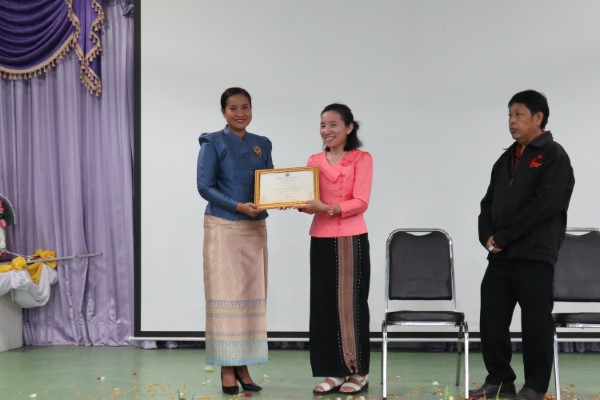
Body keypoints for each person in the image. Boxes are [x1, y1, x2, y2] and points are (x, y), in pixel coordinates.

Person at [473, 90, 575, 400]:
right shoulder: (505, 159)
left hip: (535, 255)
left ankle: (535, 386)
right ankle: (500, 380)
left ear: (538, 117)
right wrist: (487, 236)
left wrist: (504, 237)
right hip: (501, 256)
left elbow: (545, 205)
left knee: (535, 324)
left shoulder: (554, 155)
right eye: (509, 115)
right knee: (491, 320)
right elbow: (487, 203)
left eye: (518, 115)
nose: (512, 121)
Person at [196, 87, 273, 395]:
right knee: (224, 295)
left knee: (252, 295)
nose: (240, 113)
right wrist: (238, 206)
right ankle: (227, 368)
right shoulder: (212, 142)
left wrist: (278, 199)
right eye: (233, 108)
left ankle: (244, 365)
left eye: (245, 107)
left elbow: (270, 183)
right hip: (222, 226)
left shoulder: (262, 143)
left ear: (251, 109)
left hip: (255, 228)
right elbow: (204, 186)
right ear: (223, 112)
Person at [296, 103, 373, 396]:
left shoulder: (361, 158)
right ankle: (334, 371)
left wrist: (326, 208)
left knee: (350, 306)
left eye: (333, 125)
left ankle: (358, 371)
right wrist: (293, 201)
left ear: (349, 127)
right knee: (324, 305)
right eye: (322, 125)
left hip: (351, 238)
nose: (326, 131)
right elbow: (308, 198)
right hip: (320, 237)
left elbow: (361, 201)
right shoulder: (314, 160)